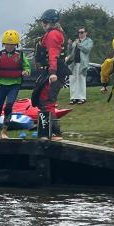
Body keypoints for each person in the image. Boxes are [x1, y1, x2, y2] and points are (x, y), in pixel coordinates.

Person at [31, 9, 68, 140]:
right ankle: (45, 132)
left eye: (43, 21)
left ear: (48, 22)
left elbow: (53, 54)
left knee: (46, 101)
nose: (42, 24)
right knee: (43, 99)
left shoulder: (53, 35)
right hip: (53, 70)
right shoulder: (58, 33)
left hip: (54, 72)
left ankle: (54, 133)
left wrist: (52, 72)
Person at [66, 27, 93, 104]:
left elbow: (87, 50)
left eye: (82, 32)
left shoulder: (89, 41)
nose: (80, 34)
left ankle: (82, 98)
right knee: (73, 79)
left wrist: (79, 44)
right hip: (73, 63)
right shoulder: (76, 41)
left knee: (81, 79)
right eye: (79, 32)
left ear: (86, 33)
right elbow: (70, 52)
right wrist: (69, 45)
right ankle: (73, 98)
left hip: (82, 63)